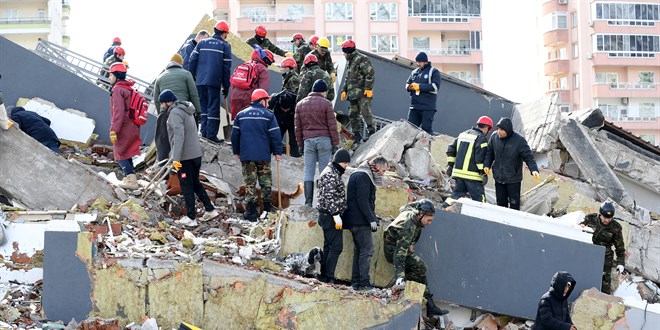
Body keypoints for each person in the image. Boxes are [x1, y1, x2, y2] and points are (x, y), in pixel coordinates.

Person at [158, 90, 219, 227]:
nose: (161, 106)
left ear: (168, 102)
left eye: (162, 103)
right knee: (195, 183)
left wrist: (176, 158)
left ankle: (191, 218)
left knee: (186, 185)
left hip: (184, 158)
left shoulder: (175, 113)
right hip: (195, 155)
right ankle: (210, 209)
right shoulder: (187, 109)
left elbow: (179, 136)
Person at [383, 200, 449, 317]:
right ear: (421, 215)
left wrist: (411, 242)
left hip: (400, 246)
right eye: (429, 220)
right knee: (420, 267)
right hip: (393, 251)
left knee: (417, 270)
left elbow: (406, 206)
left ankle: (430, 305)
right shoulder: (408, 226)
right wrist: (400, 277)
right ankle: (429, 304)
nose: (429, 223)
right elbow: (399, 254)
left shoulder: (413, 212)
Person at [231, 89, 283, 222]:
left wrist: (236, 151)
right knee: (266, 183)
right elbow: (275, 136)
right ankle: (266, 211)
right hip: (263, 156)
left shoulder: (240, 115)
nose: (268, 102)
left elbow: (235, 135)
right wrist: (277, 152)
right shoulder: (269, 115)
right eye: (267, 99)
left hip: (247, 156)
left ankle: (252, 212)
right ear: (262, 100)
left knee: (250, 183)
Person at [344, 156, 388, 290]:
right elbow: (362, 201)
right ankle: (364, 283)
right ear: (378, 166)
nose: (383, 173)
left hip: (353, 220)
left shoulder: (357, 173)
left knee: (359, 251)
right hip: (360, 221)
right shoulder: (364, 176)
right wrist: (371, 219)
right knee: (367, 250)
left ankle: (356, 282)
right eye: (384, 170)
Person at [294, 79, 339, 207]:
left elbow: (298, 127)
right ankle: (323, 201)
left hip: (308, 141)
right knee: (324, 171)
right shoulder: (326, 104)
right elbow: (332, 125)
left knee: (309, 171)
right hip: (324, 140)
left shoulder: (300, 104)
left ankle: (308, 202)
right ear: (323, 91)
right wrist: (335, 143)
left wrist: (300, 144)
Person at [189, 20, 232, 143]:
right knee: (213, 107)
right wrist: (226, 86)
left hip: (200, 81)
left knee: (204, 107)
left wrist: (193, 77)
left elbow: (192, 60)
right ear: (224, 33)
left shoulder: (202, 43)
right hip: (214, 81)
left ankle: (204, 133)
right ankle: (211, 135)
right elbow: (226, 68)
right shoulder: (225, 46)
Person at [484, 117, 540, 210]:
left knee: (514, 204)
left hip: (513, 179)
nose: (499, 132)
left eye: (502, 130)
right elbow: (490, 152)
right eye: (498, 129)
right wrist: (487, 165)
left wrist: (534, 169)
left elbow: (528, 156)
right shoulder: (494, 137)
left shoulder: (519, 140)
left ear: (508, 130)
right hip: (499, 177)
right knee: (501, 204)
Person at [153, 54, 201, 161]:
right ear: (180, 64)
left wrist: (161, 114)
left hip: (164, 112)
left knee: (163, 142)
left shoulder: (160, 77)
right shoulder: (186, 74)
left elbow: (156, 99)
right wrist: (198, 111)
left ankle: (163, 166)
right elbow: (193, 94)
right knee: (185, 140)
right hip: (182, 111)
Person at [441, 116, 493, 208]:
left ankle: (444, 207)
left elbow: (451, 149)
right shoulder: (481, 138)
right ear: (486, 128)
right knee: (479, 200)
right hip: (472, 176)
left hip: (459, 174)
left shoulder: (462, 134)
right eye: (488, 129)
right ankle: (480, 217)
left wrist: (450, 165)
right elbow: (479, 158)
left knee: (456, 195)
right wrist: (483, 173)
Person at [316, 149, 351, 283]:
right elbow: (329, 197)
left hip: (327, 215)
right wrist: (336, 215)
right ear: (338, 162)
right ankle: (328, 276)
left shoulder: (331, 172)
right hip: (330, 216)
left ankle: (324, 274)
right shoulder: (331, 174)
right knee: (336, 246)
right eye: (345, 163)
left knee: (329, 245)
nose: (346, 166)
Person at [580, 202, 626, 294]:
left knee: (604, 282)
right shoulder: (591, 218)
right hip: (588, 252)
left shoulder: (616, 227)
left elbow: (620, 247)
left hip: (605, 257)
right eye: (605, 217)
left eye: (609, 218)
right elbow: (578, 229)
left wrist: (620, 263)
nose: (606, 220)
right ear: (600, 214)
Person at [108, 62, 141, 190]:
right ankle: (130, 178)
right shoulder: (129, 88)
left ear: (116, 75)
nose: (109, 78)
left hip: (123, 126)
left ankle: (131, 181)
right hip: (133, 125)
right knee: (127, 152)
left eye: (110, 75)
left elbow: (118, 112)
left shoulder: (117, 90)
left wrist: (114, 130)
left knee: (119, 152)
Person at [340, 40, 375, 143]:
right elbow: (348, 78)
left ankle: (372, 133)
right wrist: (344, 90)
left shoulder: (361, 59)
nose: (344, 55)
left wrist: (368, 88)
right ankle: (357, 135)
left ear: (348, 52)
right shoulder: (350, 62)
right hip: (352, 94)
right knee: (353, 114)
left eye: (344, 53)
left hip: (363, 93)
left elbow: (370, 74)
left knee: (365, 112)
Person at [230, 46, 273, 119]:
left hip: (235, 97)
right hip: (249, 99)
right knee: (249, 122)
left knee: (237, 121)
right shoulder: (262, 69)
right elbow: (263, 89)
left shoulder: (244, 65)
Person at [270, 57, 301, 157]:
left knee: (293, 140)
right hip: (287, 114)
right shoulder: (288, 78)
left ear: (288, 68)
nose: (281, 70)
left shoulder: (294, 79)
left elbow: (292, 95)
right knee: (278, 136)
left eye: (282, 67)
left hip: (290, 113)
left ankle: (295, 160)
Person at [405, 52, 441, 135]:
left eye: (420, 62)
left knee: (426, 131)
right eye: (417, 62)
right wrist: (409, 87)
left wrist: (419, 87)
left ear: (425, 62)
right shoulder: (414, 72)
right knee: (410, 129)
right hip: (414, 107)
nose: (418, 64)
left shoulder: (434, 71)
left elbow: (435, 86)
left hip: (427, 107)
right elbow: (407, 83)